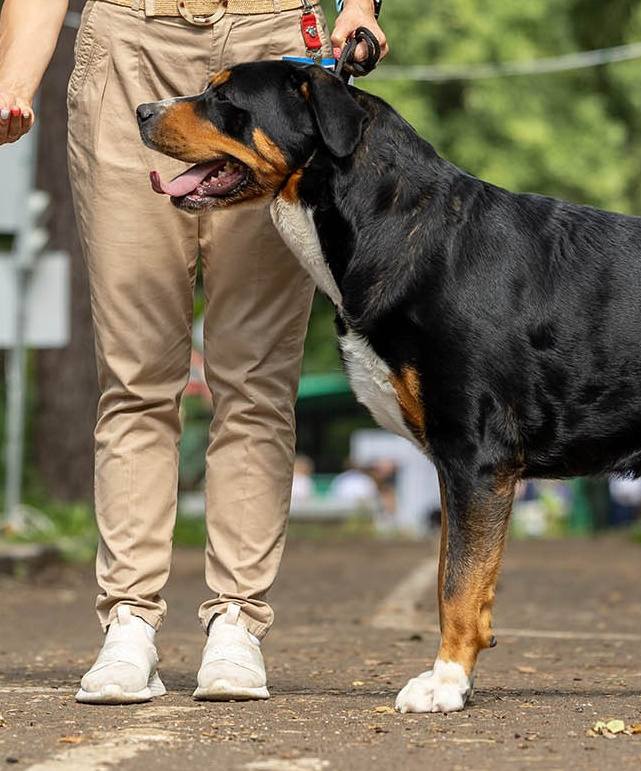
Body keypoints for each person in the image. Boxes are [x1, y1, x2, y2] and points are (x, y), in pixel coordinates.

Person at [0, 0, 386, 704]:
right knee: (136, 372)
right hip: (125, 44)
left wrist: (358, 6)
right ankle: (128, 622)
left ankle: (237, 621)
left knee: (256, 378)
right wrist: (15, 78)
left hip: (271, 45)